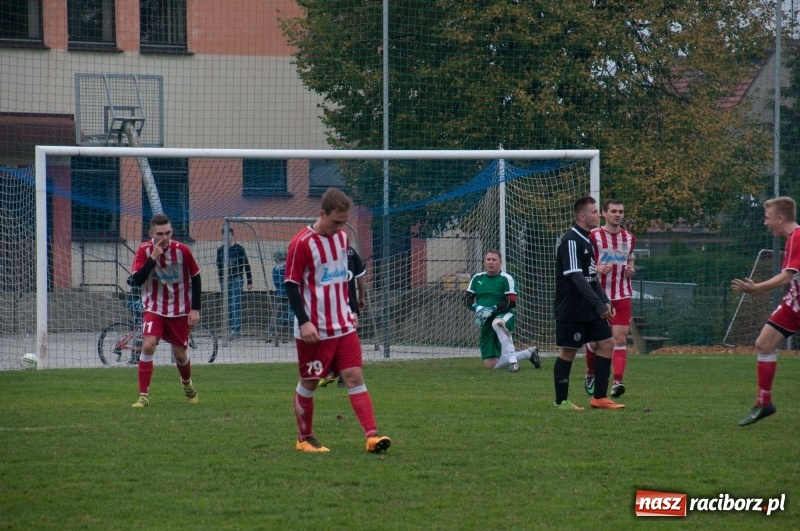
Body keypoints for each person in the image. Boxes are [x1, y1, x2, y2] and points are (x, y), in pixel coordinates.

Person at [285, 187, 391, 453]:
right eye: (335, 221)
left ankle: (372, 436)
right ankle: (304, 438)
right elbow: (291, 285)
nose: (340, 226)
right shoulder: (301, 243)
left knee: (354, 375)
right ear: (322, 214)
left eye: (344, 221)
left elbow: (343, 280)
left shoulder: (342, 239)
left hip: (343, 325)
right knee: (310, 382)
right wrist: (304, 321)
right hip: (315, 329)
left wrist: (350, 308)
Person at [731, 196, 800, 426]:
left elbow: (787, 276)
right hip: (794, 305)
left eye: (768, 218)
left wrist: (757, 288)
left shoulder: (798, 236)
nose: (765, 223)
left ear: (781, 218)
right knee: (764, 343)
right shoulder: (792, 238)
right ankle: (764, 403)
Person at [553, 196, 625, 410]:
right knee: (568, 352)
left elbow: (591, 277)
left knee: (607, 343)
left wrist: (606, 301)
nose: (598, 215)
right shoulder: (570, 240)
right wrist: (599, 305)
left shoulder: (588, 240)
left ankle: (599, 397)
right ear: (582, 216)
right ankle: (561, 401)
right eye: (594, 212)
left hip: (590, 308)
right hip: (572, 309)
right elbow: (577, 277)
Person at [129, 214, 202, 408]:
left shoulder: (183, 251)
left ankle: (187, 384)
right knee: (148, 345)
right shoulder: (144, 250)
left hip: (179, 310)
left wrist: (195, 309)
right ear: (151, 233)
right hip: (154, 307)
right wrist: (153, 258)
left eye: (168, 233)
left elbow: (196, 277)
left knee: (179, 354)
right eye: (160, 234)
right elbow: (137, 280)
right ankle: (143, 396)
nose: (164, 237)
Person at [584, 199, 636, 399]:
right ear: (604, 214)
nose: (618, 215)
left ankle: (617, 383)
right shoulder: (593, 236)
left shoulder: (629, 237)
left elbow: (630, 258)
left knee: (619, 339)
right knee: (597, 343)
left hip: (622, 294)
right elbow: (584, 262)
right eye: (613, 211)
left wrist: (631, 269)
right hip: (598, 295)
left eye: (621, 211)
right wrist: (597, 268)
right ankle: (590, 372)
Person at [463, 249, 541, 372]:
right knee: (491, 364)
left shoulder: (506, 278)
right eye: (488, 259)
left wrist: (493, 309)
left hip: (504, 314)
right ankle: (528, 353)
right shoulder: (477, 278)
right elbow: (467, 299)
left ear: (500, 262)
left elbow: (512, 301)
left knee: (497, 323)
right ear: (484, 262)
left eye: (494, 260)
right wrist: (477, 307)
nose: (490, 262)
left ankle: (514, 363)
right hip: (485, 320)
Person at [320, 244, 367, 388]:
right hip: (349, 304)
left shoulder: (323, 251)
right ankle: (343, 376)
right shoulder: (351, 251)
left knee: (330, 338)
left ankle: (329, 371)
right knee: (348, 340)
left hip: (328, 304)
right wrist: (361, 297)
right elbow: (360, 277)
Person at [216, 227, 253, 337]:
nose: (227, 237)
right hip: (225, 280)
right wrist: (221, 280)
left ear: (232, 236)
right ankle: (229, 327)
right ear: (222, 236)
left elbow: (246, 264)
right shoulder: (220, 250)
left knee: (235, 303)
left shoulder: (239, 249)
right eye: (225, 235)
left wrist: (249, 281)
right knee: (227, 304)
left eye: (229, 235)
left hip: (237, 278)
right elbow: (219, 267)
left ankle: (235, 329)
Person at [270, 248, 292, 336]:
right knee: (287, 311)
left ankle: (271, 330)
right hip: (288, 293)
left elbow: (276, 283)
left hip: (279, 293)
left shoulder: (275, 269)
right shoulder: (289, 268)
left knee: (276, 312)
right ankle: (285, 328)